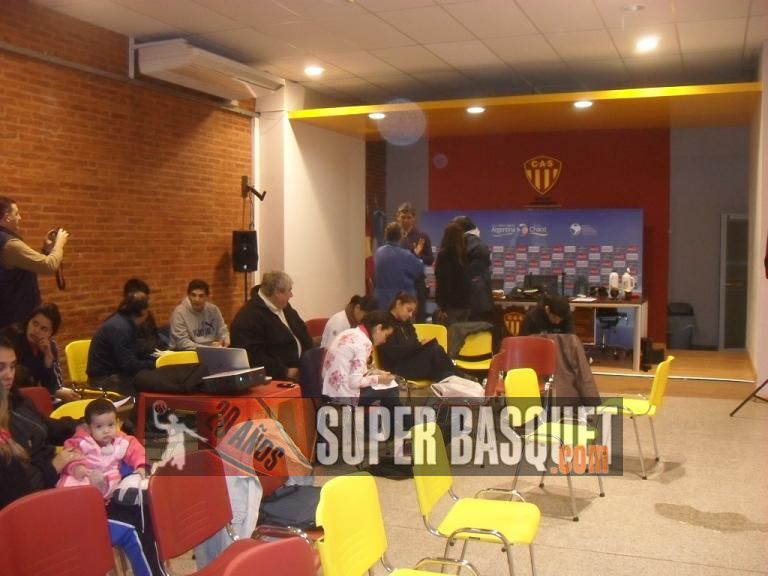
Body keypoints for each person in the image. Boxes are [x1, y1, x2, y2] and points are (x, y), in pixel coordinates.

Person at [0, 336, 160, 575]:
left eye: (12, 366)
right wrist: (56, 464)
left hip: (66, 472)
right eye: (1, 367)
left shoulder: (17, 401)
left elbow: (50, 427)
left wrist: (87, 426)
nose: (9, 375)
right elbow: (18, 493)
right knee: (133, 519)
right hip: (46, 498)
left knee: (139, 486)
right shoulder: (6, 439)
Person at [0, 196, 69, 330]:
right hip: (15, 317)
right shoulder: (9, 244)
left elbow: (28, 266)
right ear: (7, 217)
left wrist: (46, 250)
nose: (20, 218)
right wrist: (59, 243)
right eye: (16, 213)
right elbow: (48, 266)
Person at [230, 271, 313, 381]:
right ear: (277, 292)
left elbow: (302, 332)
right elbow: (253, 356)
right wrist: (285, 371)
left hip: (302, 371)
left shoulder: (284, 306)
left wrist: (310, 360)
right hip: (278, 378)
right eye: (289, 290)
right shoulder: (248, 318)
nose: (291, 295)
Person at [57, 398, 147, 498]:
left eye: (110, 425)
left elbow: (137, 451)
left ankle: (119, 502)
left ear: (117, 423)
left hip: (111, 480)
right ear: (88, 427)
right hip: (86, 476)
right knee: (72, 482)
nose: (106, 431)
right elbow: (70, 455)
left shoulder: (122, 441)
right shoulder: (81, 441)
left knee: (133, 484)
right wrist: (76, 467)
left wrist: (141, 466)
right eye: (99, 426)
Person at [1, 303, 79, 402]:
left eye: (44, 329)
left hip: (30, 398)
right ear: (29, 321)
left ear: (51, 334)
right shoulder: (11, 338)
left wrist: (48, 358)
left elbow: (52, 387)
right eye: (35, 323)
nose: (36, 331)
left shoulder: (49, 347)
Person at [377, 293, 458, 382]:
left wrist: (421, 344)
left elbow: (413, 343)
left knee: (437, 351)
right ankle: (456, 378)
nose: (410, 315)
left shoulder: (406, 323)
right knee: (434, 351)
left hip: (410, 362)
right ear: (398, 303)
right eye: (408, 310)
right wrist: (419, 345)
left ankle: (453, 378)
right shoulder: (385, 322)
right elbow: (393, 352)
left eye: (412, 312)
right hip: (396, 367)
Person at [87, 292, 156, 395]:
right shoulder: (122, 328)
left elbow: (135, 351)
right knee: (150, 383)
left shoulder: (123, 321)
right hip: (104, 380)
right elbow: (129, 365)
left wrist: (155, 358)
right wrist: (155, 364)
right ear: (143, 311)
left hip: (109, 374)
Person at [374, 222, 424, 314]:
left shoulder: (379, 252)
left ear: (386, 235)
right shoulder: (406, 255)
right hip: (401, 304)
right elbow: (419, 270)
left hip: (381, 302)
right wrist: (416, 255)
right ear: (401, 236)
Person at [452, 215, 493, 323]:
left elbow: (469, 274)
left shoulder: (466, 243)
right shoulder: (476, 244)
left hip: (471, 300)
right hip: (479, 300)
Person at [168, 279, 230, 350]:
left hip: (210, 350)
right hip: (184, 351)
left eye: (201, 296)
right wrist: (209, 349)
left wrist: (225, 338)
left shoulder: (213, 310)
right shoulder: (179, 312)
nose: (197, 299)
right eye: (193, 295)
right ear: (188, 295)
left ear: (207, 297)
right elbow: (182, 343)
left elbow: (223, 330)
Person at [397, 203, 433, 321]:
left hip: (417, 283)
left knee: (419, 317)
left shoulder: (422, 236)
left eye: (409, 217)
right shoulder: (395, 236)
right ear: (398, 217)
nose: (405, 220)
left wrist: (418, 256)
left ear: (414, 218)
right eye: (403, 217)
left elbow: (430, 259)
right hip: (399, 282)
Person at [434, 222, 472, 326]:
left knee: (449, 334)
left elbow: (444, 282)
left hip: (450, 306)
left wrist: (443, 307)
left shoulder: (444, 255)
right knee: (461, 334)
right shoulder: (464, 255)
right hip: (465, 304)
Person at [123, 278, 165, 355]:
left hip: (152, 352)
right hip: (140, 357)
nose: (147, 302)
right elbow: (135, 349)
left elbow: (155, 336)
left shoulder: (147, 314)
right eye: (143, 299)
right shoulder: (122, 323)